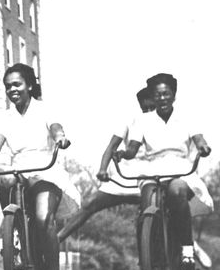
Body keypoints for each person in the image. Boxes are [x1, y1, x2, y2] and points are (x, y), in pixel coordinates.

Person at [0, 63, 80, 270]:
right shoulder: (5, 116)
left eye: (17, 84)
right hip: (20, 169)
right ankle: (12, 228)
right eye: (8, 86)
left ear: (29, 84)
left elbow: (55, 128)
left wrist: (60, 138)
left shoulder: (44, 108)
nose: (12, 90)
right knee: (6, 178)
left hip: (45, 170)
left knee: (42, 218)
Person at [117, 73, 213, 269]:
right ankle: (152, 257)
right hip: (154, 169)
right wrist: (123, 154)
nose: (162, 98)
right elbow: (133, 149)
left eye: (166, 94)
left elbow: (199, 139)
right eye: (158, 95)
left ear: (174, 95)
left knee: (177, 191)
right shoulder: (142, 121)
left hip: (180, 168)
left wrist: (203, 148)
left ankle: (187, 248)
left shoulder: (186, 118)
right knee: (147, 201)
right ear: (153, 97)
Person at [56, 87, 154, 242]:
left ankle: (164, 251)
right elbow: (111, 147)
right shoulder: (132, 122)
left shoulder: (164, 125)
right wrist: (102, 170)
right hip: (125, 178)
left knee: (155, 210)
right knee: (90, 204)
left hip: (150, 177)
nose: (149, 111)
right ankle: (56, 240)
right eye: (145, 108)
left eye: (152, 108)